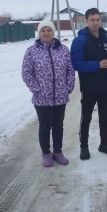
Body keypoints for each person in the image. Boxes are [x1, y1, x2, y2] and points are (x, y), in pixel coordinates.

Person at [22, 20, 75, 168]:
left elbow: (70, 70)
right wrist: (36, 89)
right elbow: (26, 72)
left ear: (53, 32)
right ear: (39, 33)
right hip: (41, 98)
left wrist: (68, 87)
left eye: (49, 30)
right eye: (43, 30)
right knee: (45, 126)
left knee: (58, 126)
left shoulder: (63, 50)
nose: (46, 33)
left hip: (60, 96)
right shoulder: (31, 51)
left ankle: (58, 152)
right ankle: (46, 153)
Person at [71, 8, 107, 160]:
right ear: (86, 21)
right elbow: (76, 64)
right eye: (92, 20)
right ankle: (84, 146)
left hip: (105, 86)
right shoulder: (79, 41)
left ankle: (104, 144)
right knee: (86, 117)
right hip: (89, 86)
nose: (95, 22)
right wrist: (97, 65)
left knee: (105, 116)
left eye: (98, 19)